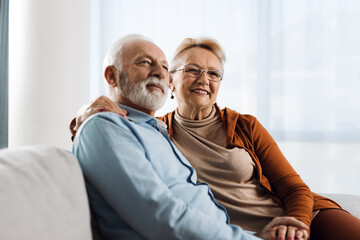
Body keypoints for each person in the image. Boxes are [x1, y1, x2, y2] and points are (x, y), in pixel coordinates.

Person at [71, 35, 360, 240]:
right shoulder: (156, 132)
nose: (204, 79)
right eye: (193, 70)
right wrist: (85, 113)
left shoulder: (244, 125)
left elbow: (293, 186)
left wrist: (297, 225)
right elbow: (114, 137)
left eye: (214, 73)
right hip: (239, 233)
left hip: (297, 220)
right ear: (172, 80)